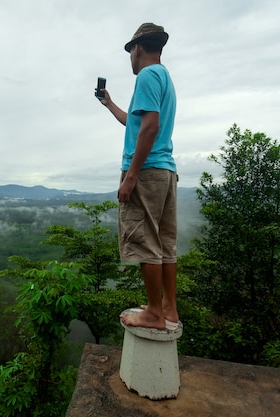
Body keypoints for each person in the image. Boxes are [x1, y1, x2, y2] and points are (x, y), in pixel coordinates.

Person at [96, 22, 179, 330]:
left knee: (145, 242)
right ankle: (168, 307)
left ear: (138, 48)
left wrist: (130, 175)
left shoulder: (146, 75)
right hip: (165, 171)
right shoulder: (164, 77)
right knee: (165, 242)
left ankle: (154, 313)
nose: (130, 57)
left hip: (145, 171)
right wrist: (108, 103)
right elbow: (136, 125)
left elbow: (149, 128)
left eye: (130, 51)